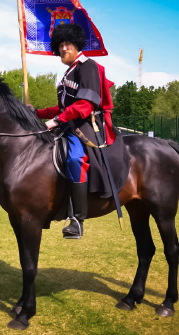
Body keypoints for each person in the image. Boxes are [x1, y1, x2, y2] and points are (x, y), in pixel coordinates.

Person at [30, 23, 125, 239]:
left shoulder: (88, 66)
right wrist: (37, 113)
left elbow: (85, 105)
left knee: (74, 159)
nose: (64, 48)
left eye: (68, 44)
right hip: (69, 122)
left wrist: (55, 121)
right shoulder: (69, 72)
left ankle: (77, 219)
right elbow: (63, 106)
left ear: (77, 45)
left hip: (85, 126)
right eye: (60, 45)